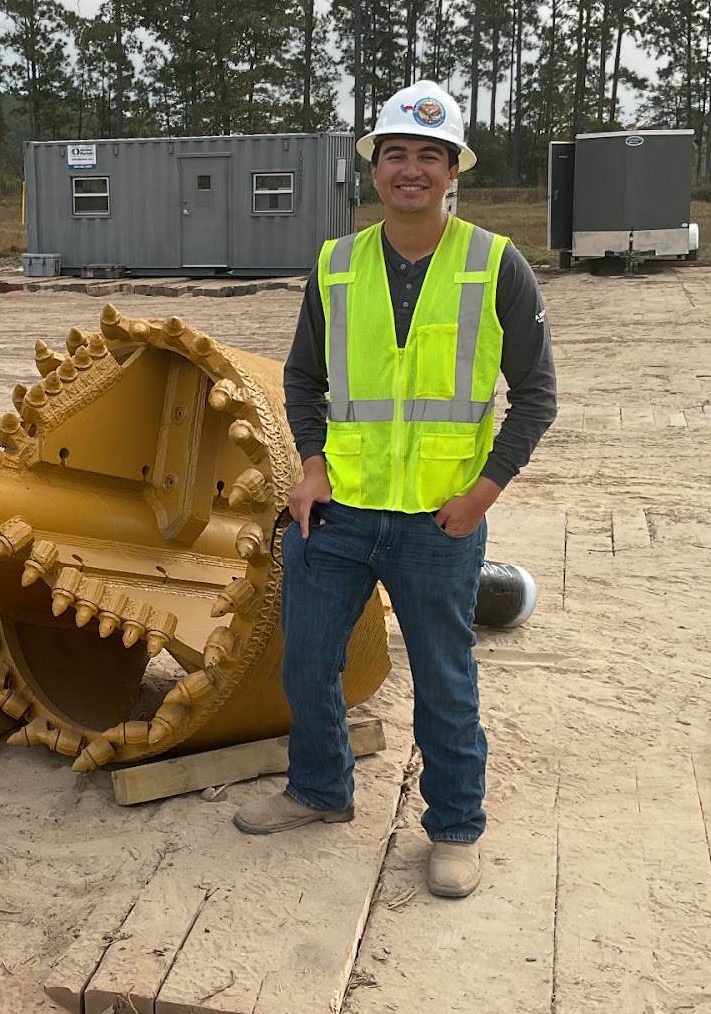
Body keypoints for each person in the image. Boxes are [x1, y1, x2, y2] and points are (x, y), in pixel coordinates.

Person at [233, 79, 557, 900]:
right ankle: (319, 788)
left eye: (429, 156)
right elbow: (303, 380)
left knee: (446, 681)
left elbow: (537, 396)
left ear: (454, 171)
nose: (410, 169)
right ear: (372, 169)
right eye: (395, 155)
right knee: (306, 664)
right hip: (339, 512)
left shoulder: (495, 264)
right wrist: (312, 467)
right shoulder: (336, 265)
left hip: (438, 524)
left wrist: (482, 494)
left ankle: (454, 828)